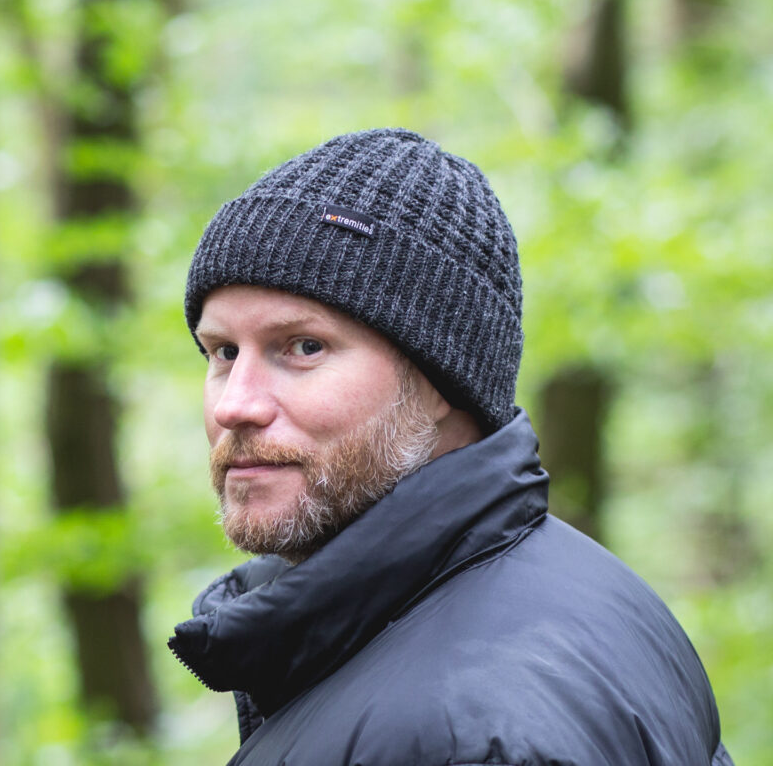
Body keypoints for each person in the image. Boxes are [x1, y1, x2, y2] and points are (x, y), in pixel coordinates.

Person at [169, 128, 733, 765]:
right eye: (223, 352)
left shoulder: (480, 738)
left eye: (303, 347)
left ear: (441, 381)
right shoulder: (572, 592)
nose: (234, 404)